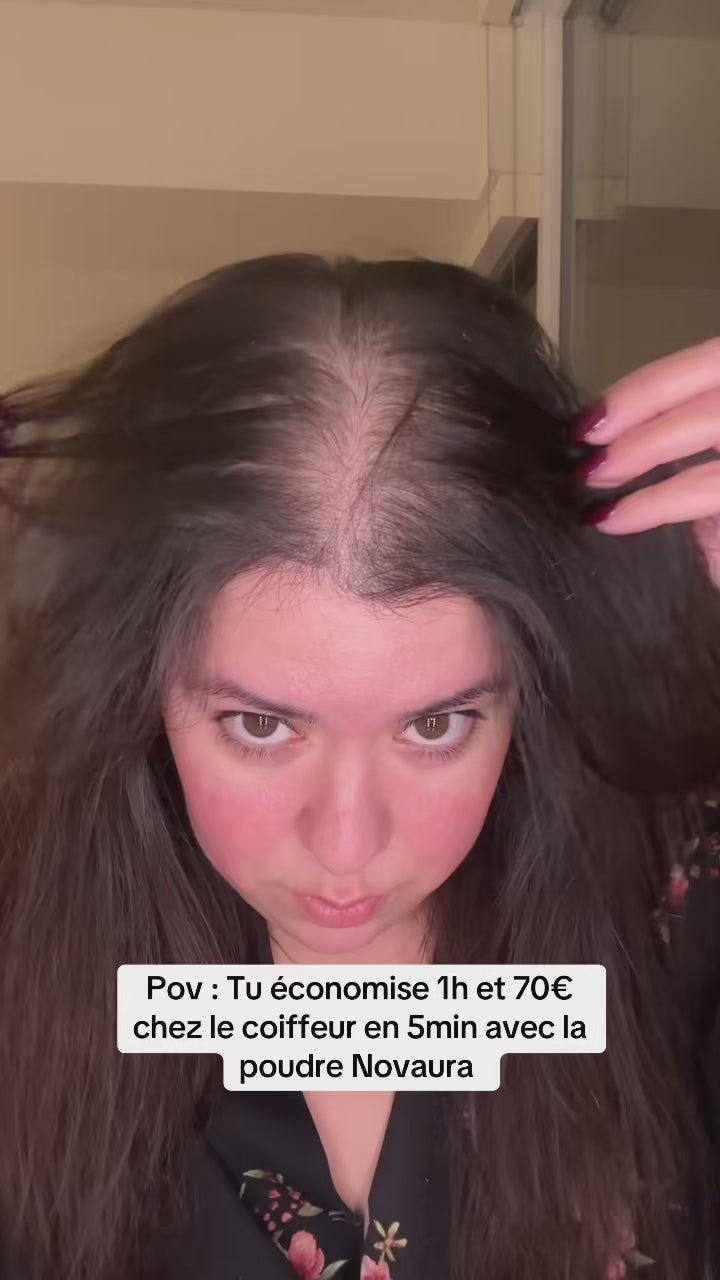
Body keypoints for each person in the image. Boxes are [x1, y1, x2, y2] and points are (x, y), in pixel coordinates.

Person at [0, 254, 719, 1280]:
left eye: (436, 725)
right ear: (140, 683)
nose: (347, 846)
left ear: (528, 691)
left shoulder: (670, 915)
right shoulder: (26, 949)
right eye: (259, 725)